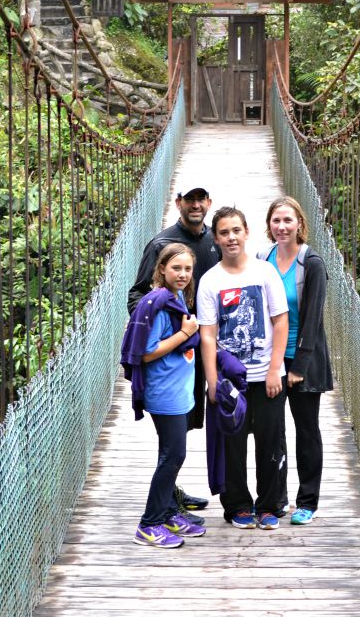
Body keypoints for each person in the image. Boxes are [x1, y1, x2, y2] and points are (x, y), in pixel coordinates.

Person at [128, 186, 219, 518]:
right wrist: (176, 327)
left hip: (197, 354)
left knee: (181, 435)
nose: (195, 205)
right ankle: (164, 507)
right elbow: (137, 298)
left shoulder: (214, 242)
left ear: (209, 203)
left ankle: (169, 498)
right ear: (178, 203)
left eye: (201, 199)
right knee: (173, 442)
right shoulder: (161, 245)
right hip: (170, 360)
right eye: (189, 199)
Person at [197, 207, 289, 531]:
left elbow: (280, 321)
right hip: (230, 379)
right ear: (216, 238)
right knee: (232, 445)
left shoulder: (265, 273)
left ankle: (268, 505)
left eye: (236, 230)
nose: (231, 237)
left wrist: (275, 368)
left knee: (270, 442)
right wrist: (211, 381)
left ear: (247, 232)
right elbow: (207, 335)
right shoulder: (210, 281)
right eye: (224, 232)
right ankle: (237, 505)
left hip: (266, 375)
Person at [119, 243, 206, 548]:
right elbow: (145, 354)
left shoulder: (176, 297)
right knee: (174, 455)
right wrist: (185, 334)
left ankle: (169, 512)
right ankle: (149, 523)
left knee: (169, 454)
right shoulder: (156, 303)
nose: (182, 274)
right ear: (161, 270)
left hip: (177, 389)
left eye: (187, 269)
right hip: (164, 392)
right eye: (176, 268)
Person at [259, 197, 333, 526]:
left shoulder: (312, 262)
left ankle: (307, 501)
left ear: (300, 224)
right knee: (272, 431)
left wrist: (298, 367)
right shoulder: (262, 258)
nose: (282, 227)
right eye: (276, 220)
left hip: (303, 360)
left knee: (306, 431)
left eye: (288, 220)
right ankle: (277, 499)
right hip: (269, 360)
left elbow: (314, 317)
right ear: (269, 224)